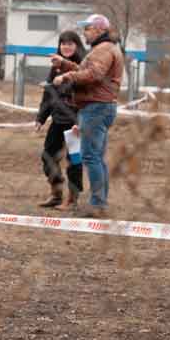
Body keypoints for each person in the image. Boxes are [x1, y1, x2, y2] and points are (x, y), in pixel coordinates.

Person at [52, 14, 123, 218]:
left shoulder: (103, 50)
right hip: (100, 106)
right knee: (97, 157)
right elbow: (88, 70)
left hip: (95, 108)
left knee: (91, 156)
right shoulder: (105, 49)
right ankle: (99, 202)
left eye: (88, 29)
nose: (85, 33)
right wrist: (66, 64)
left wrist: (65, 76)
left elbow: (93, 75)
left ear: (99, 30)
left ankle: (97, 205)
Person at [35, 30, 85, 210]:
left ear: (77, 45)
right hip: (57, 120)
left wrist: (81, 121)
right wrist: (41, 117)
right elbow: (49, 94)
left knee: (74, 161)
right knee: (48, 156)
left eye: (70, 43)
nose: (66, 47)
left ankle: (72, 199)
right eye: (63, 43)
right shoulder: (55, 67)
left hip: (76, 121)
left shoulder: (83, 66)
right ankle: (56, 194)